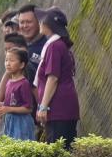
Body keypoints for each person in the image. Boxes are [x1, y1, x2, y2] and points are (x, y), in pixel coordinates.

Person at [33, 8, 80, 148]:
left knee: (58, 155)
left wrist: (43, 107)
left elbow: (53, 78)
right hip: (62, 108)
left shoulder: (54, 46)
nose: (40, 22)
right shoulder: (58, 45)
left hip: (58, 109)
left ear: (49, 24)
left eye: (43, 20)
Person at [0, 47, 37, 141]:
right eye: (6, 60)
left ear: (21, 65)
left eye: (12, 60)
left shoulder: (24, 83)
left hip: (21, 123)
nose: (7, 63)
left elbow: (28, 108)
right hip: (10, 121)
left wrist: (7, 108)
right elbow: (11, 103)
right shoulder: (9, 82)